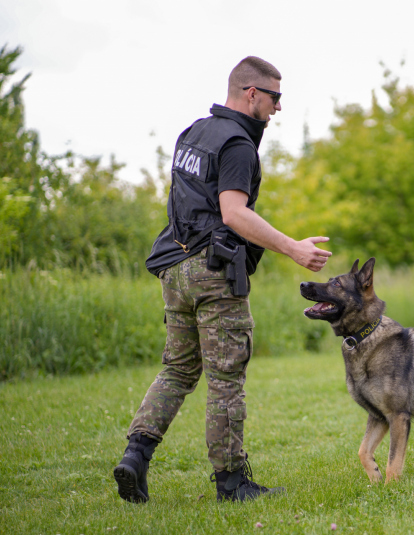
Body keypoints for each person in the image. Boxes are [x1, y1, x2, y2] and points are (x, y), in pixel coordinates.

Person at [113, 56, 332, 504]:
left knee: (177, 368)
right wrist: (293, 248)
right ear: (251, 93)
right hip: (213, 271)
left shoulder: (193, 133)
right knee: (225, 377)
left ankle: (136, 455)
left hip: (175, 266)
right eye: (275, 97)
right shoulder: (237, 144)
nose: (278, 108)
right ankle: (232, 484)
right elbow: (233, 212)